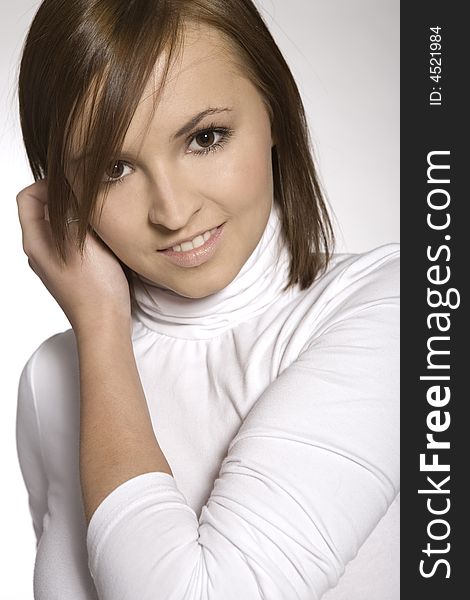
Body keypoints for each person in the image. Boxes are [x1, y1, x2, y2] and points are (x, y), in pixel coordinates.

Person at [15, 1, 399, 598]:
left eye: (205, 137)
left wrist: (99, 327)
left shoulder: (399, 304)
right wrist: (102, 331)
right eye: (114, 169)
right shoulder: (51, 376)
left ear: (275, 110)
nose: (172, 211)